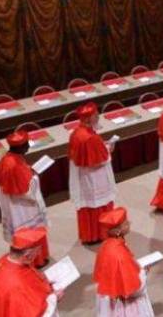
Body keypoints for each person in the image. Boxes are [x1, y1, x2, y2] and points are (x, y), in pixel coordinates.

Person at [0, 132, 49, 267]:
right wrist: (35, 178)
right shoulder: (13, 165)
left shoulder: (8, 158)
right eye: (26, 144)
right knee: (29, 233)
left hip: (14, 206)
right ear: (20, 147)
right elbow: (26, 192)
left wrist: (29, 172)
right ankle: (35, 260)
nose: (28, 146)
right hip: (22, 208)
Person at [68, 103, 117, 244]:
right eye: (96, 115)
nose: (98, 117)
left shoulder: (76, 132)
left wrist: (102, 146)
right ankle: (100, 233)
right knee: (98, 203)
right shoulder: (89, 137)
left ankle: (89, 235)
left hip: (83, 176)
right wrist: (108, 149)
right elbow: (99, 160)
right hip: (94, 177)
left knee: (88, 205)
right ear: (88, 118)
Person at [94, 208, 155, 316]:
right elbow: (135, 289)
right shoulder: (120, 256)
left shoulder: (105, 246)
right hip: (124, 306)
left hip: (109, 300)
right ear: (118, 231)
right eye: (126, 223)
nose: (129, 224)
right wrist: (143, 272)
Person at [0, 228, 58, 317]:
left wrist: (43, 282)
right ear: (28, 255)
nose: (39, 253)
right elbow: (37, 313)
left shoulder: (2, 261)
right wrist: (54, 298)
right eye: (37, 251)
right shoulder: (17, 286)